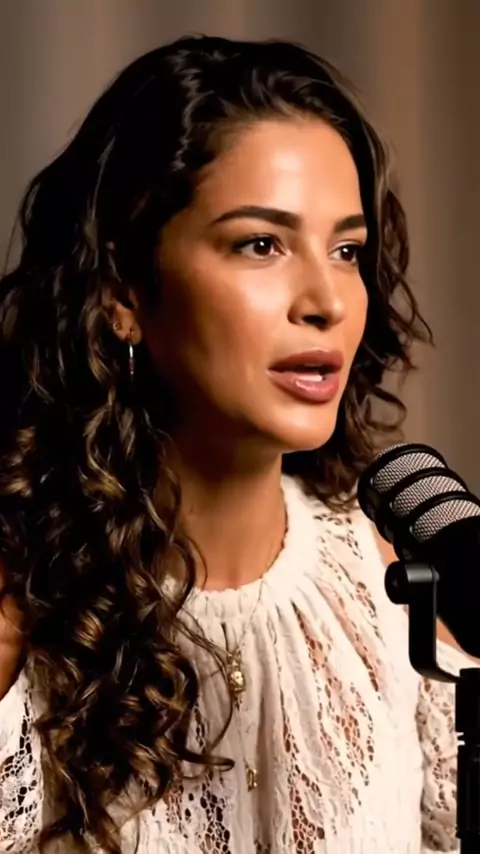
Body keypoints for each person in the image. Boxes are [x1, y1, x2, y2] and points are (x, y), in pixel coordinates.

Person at [0, 34, 467, 854]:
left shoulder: (388, 579)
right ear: (122, 294)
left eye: (347, 251)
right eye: (261, 244)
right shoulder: (20, 600)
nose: (327, 301)